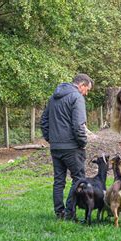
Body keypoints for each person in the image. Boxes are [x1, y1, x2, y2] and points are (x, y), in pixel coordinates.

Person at [41, 73, 94, 220]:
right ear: (81, 85)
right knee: (78, 179)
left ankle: (59, 212)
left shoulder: (53, 97)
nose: (86, 93)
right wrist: (82, 142)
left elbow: (44, 121)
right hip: (72, 146)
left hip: (56, 146)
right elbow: (79, 125)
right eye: (87, 90)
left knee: (59, 180)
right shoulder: (77, 97)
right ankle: (69, 211)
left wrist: (51, 139)